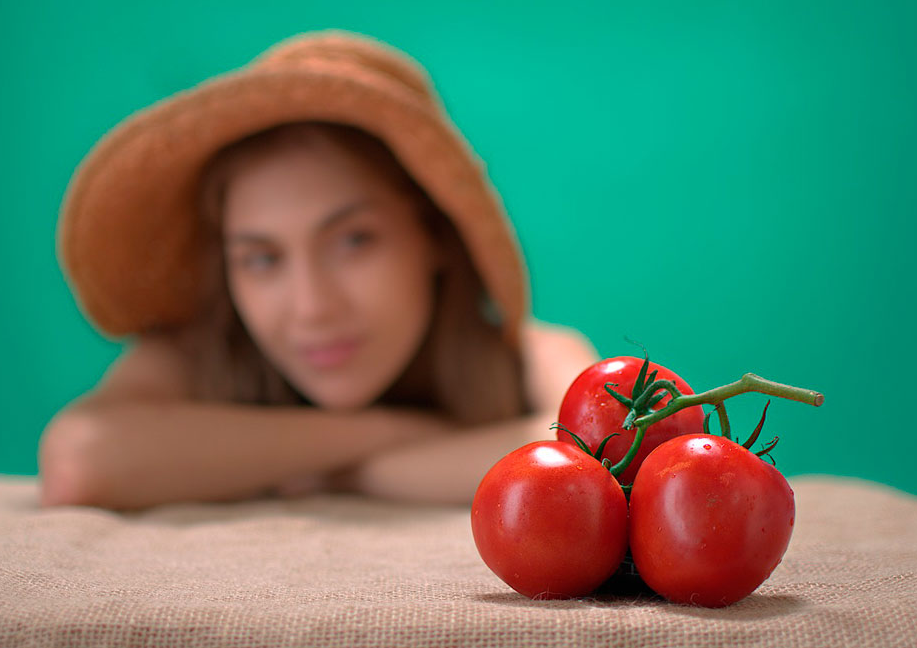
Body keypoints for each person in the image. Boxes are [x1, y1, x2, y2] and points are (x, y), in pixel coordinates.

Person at [39, 30, 600, 510]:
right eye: (261, 259)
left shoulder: (528, 355)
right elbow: (79, 460)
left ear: (434, 235)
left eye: (354, 241)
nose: (312, 306)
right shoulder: (204, 356)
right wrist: (391, 433)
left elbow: (595, 459)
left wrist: (348, 474)